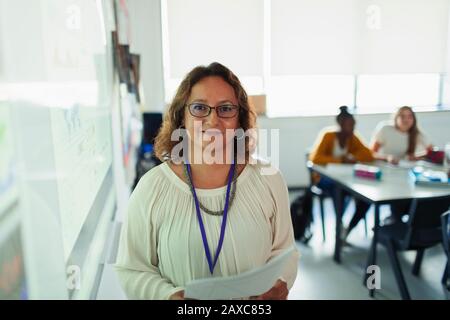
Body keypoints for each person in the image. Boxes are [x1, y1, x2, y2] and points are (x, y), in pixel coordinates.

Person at [115, 62, 299, 300]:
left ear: (239, 119)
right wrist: (169, 296)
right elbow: (132, 269)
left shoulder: (268, 179)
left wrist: (280, 283)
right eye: (200, 108)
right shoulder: (152, 188)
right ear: (182, 116)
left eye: (225, 109)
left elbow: (285, 251)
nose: (213, 121)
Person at [309, 106, 374, 242]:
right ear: (340, 124)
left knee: (365, 198)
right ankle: (339, 225)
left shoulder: (352, 138)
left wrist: (353, 157)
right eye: (349, 125)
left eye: (353, 125)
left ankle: (348, 229)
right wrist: (340, 160)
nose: (352, 128)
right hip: (324, 179)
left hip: (347, 179)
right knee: (338, 189)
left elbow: (368, 154)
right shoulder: (328, 136)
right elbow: (315, 158)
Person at [371, 106, 433, 224]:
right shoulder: (385, 129)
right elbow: (371, 153)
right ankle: (395, 223)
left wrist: (416, 157)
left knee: (412, 197)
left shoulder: (416, 133)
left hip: (405, 174)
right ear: (396, 118)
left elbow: (431, 152)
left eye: (409, 116)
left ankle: (400, 225)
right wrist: (387, 157)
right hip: (385, 173)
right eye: (402, 116)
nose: (406, 120)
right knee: (397, 196)